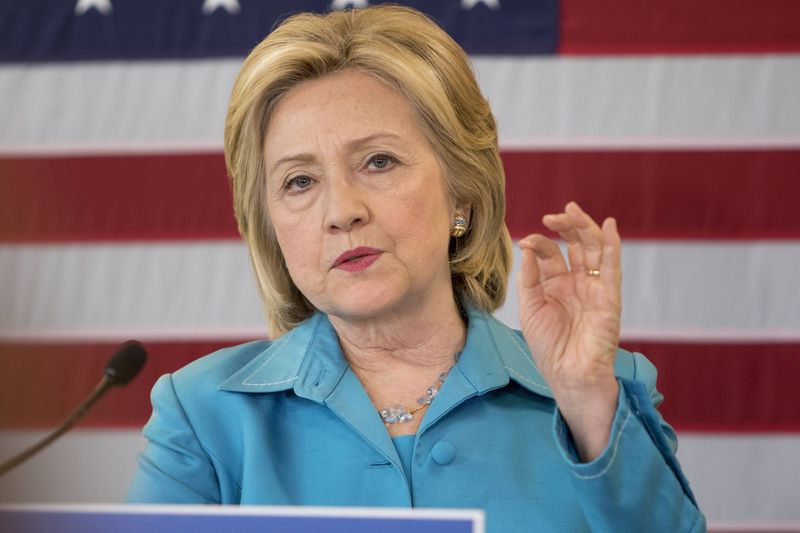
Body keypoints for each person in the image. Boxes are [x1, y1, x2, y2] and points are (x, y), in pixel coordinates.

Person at [126, 5, 706, 531]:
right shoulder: (202, 415)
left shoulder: (605, 389)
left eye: (379, 161)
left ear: (463, 195)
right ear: (271, 225)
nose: (342, 212)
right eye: (299, 181)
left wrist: (585, 402)